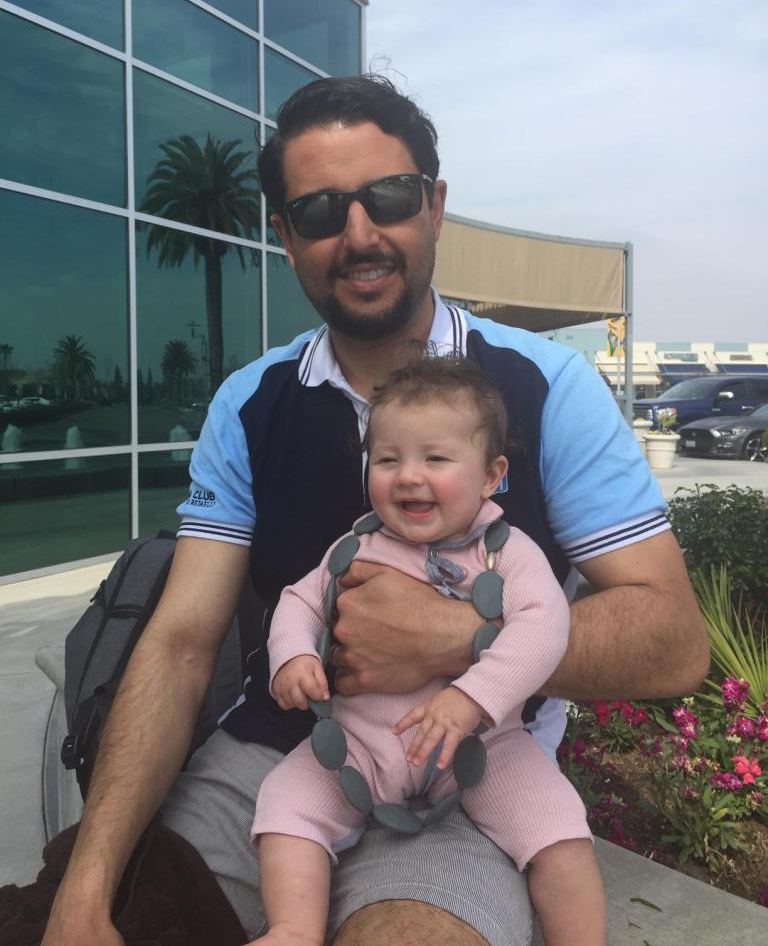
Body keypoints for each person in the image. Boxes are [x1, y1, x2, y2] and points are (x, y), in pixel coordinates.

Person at [43, 74, 709, 946]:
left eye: (387, 197)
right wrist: (87, 889)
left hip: (473, 765)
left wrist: (457, 638)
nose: (359, 234)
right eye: (319, 212)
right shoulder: (251, 404)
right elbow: (180, 644)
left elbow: (673, 640)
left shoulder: (547, 387)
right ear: (285, 238)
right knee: (131, 919)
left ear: (434, 206)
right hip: (285, 755)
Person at [254, 354, 606, 946]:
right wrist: (292, 656)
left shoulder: (507, 553)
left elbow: (545, 626)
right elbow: (299, 600)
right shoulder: (356, 545)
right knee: (285, 803)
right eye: (388, 460)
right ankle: (293, 928)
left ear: (490, 475)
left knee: (558, 827)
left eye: (436, 459)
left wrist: (474, 697)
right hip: (363, 743)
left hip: (481, 746)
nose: (408, 477)